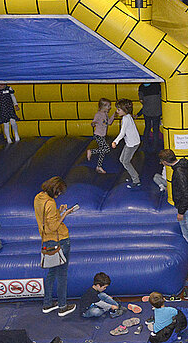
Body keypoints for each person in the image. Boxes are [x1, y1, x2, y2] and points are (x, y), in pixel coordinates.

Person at [34, 177, 77, 317]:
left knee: (51, 273)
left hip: (46, 240)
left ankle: (47, 304)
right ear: (55, 190)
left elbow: (46, 220)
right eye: (59, 192)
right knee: (62, 275)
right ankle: (62, 306)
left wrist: (58, 211)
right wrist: (65, 214)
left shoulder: (39, 198)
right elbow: (53, 226)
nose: (59, 195)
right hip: (60, 241)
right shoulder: (50, 202)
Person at [158, 149, 188, 269]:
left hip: (187, 208)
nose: (162, 163)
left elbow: (186, 194)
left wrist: (180, 212)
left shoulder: (178, 173)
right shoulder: (185, 166)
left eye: (162, 161)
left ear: (166, 161)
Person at [111, 99, 141, 189]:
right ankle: (134, 175)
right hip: (131, 142)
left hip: (132, 144)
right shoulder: (128, 116)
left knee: (125, 162)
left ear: (125, 110)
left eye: (119, 110)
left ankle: (136, 180)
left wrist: (115, 141)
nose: (117, 111)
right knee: (122, 159)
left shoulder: (126, 118)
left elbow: (122, 132)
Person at [86, 98, 114, 174]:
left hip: (102, 135)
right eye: (108, 106)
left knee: (103, 151)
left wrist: (114, 115)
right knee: (106, 149)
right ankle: (91, 151)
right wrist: (93, 123)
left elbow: (109, 123)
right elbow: (93, 122)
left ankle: (99, 167)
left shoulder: (105, 114)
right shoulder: (98, 114)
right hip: (98, 135)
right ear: (103, 106)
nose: (110, 107)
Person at [138, 83, 162, 151]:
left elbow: (141, 99)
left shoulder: (141, 87)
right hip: (157, 111)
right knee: (155, 129)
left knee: (147, 128)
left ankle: (145, 146)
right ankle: (155, 147)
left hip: (147, 111)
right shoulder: (157, 85)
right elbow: (161, 96)